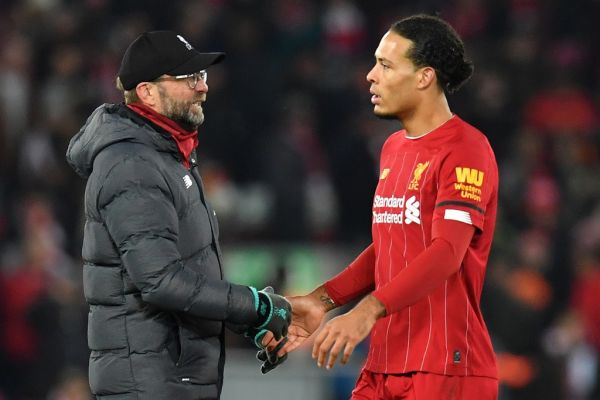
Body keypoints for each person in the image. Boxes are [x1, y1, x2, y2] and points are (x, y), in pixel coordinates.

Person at [277, 14, 500, 399]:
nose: (370, 75)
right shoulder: (393, 148)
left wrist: (366, 311)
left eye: (385, 65)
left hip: (445, 367)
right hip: (382, 364)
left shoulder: (467, 149)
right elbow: (392, 246)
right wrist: (321, 300)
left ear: (424, 77)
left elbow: (447, 252)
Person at [66, 31, 291, 400]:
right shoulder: (132, 163)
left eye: (202, 77)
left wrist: (245, 319)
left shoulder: (167, 155)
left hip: (168, 377)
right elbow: (160, 280)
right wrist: (255, 305)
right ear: (147, 92)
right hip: (149, 383)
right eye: (189, 78)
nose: (203, 87)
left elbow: (189, 272)